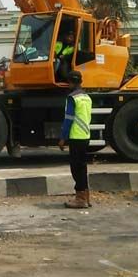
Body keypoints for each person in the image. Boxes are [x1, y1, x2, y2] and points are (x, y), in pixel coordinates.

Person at [57, 70, 92, 208]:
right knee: (82, 167)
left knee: (76, 168)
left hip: (76, 136)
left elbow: (69, 119)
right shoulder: (86, 97)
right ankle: (86, 197)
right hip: (85, 136)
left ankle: (80, 199)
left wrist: (62, 138)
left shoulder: (72, 98)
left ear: (70, 82)